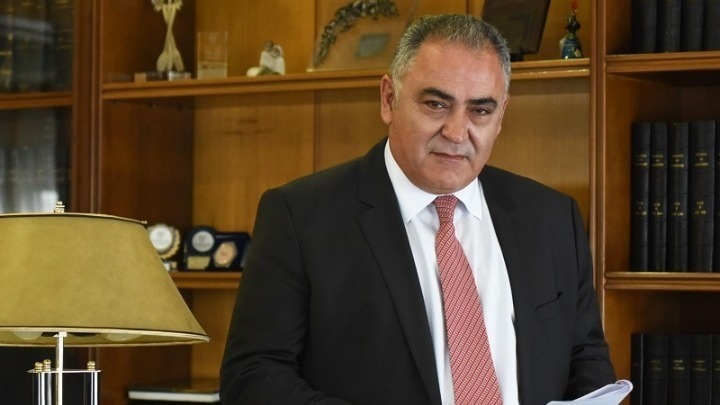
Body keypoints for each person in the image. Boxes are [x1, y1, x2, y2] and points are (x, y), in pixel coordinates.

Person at [220, 13, 616, 405]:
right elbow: (253, 377)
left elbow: (586, 358)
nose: (457, 133)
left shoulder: (552, 218)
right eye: (436, 104)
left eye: (480, 110)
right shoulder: (300, 217)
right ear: (389, 99)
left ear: (501, 115)